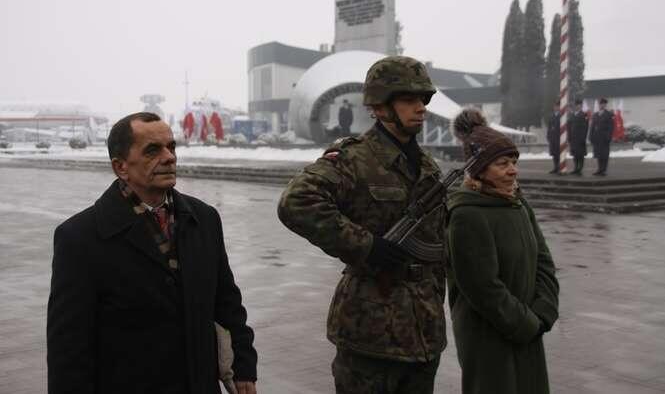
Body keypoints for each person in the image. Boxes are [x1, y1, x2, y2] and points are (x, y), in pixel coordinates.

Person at [47, 112, 257, 394]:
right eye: (152, 150)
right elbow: (69, 348)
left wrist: (244, 366)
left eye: (171, 147)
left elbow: (227, 303)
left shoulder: (204, 219)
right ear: (121, 167)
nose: (169, 157)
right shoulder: (80, 237)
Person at [278, 56, 447, 393]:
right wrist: (366, 246)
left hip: (423, 332)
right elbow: (295, 202)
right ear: (380, 107)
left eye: (423, 99)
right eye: (408, 99)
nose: (421, 108)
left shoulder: (429, 167)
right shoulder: (353, 158)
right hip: (370, 332)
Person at [446, 108, 560, 394]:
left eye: (514, 162)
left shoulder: (517, 204)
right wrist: (524, 323)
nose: (513, 170)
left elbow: (544, 262)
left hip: (528, 326)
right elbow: (482, 287)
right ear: (480, 169)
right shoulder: (466, 214)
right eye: (502, 164)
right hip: (488, 335)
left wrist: (543, 311)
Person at [589, 98, 614, 176]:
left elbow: (611, 127)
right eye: (601, 104)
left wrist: (608, 137)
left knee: (604, 155)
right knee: (598, 154)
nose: (602, 105)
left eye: (603, 104)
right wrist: (591, 136)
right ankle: (599, 169)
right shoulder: (595, 114)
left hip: (604, 138)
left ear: (605, 105)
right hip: (597, 138)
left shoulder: (608, 114)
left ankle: (603, 170)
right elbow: (592, 126)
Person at [568, 99, 589, 175]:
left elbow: (585, 127)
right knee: (575, 155)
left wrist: (583, 137)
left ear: (581, 106)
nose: (578, 106)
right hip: (573, 138)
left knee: (580, 154)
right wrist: (569, 137)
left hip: (580, 138)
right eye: (577, 105)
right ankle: (575, 168)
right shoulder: (572, 115)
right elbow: (569, 127)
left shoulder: (584, 115)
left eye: (579, 105)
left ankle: (580, 168)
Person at [546, 101, 561, 174]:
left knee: (558, 154)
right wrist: (548, 136)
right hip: (552, 137)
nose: (556, 108)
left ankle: (559, 167)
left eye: (557, 106)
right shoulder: (551, 116)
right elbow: (549, 127)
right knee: (554, 154)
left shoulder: (561, 116)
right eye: (555, 106)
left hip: (559, 138)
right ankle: (555, 167)